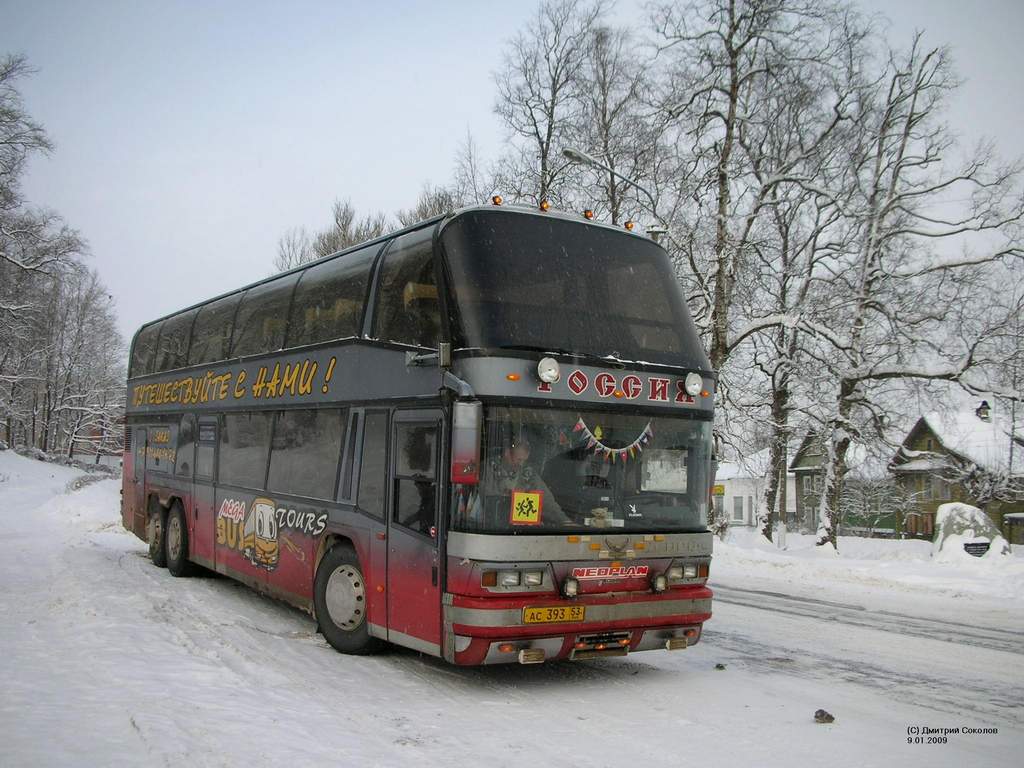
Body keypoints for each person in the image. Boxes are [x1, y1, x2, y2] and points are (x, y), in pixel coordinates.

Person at [485, 433, 572, 526]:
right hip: (495, 530)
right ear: (507, 453)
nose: (521, 464)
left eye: (524, 460)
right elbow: (487, 502)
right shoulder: (490, 469)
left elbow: (548, 503)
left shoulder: (529, 474)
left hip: (525, 532)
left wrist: (566, 522)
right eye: (518, 460)